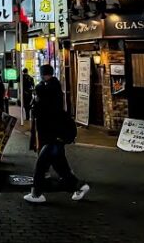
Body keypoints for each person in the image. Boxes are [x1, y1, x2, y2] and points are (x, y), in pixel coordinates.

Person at [25, 64, 89, 204]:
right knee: (60, 165)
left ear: (44, 74)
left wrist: (37, 99)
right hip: (56, 134)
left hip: (52, 135)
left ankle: (36, 194)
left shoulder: (46, 90)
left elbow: (42, 110)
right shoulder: (54, 87)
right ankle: (79, 186)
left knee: (41, 165)